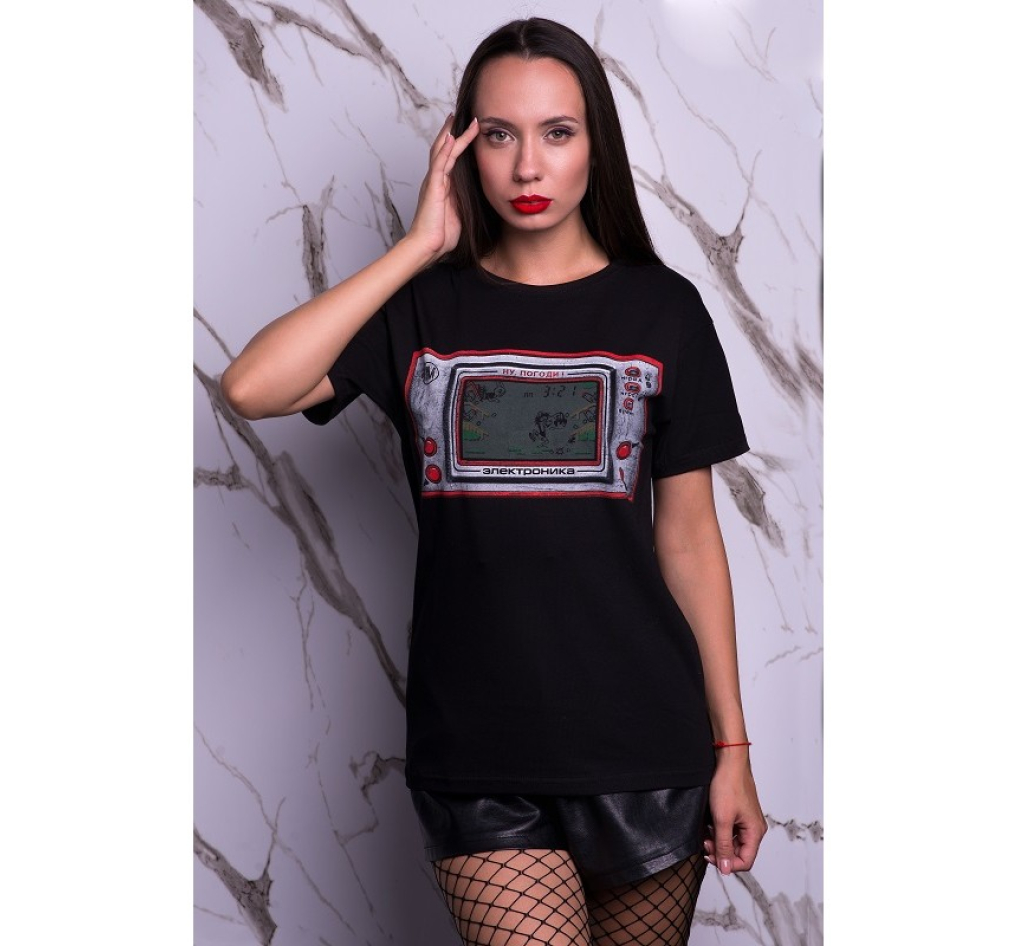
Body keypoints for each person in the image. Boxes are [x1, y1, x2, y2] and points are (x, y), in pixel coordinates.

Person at [222, 17, 765, 946]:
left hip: (647, 745)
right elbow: (249, 388)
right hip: (478, 755)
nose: (527, 166)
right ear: (461, 147)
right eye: (500, 134)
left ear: (596, 143)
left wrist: (732, 749)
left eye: (558, 132)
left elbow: (688, 540)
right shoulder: (422, 308)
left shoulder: (664, 310)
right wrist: (415, 249)